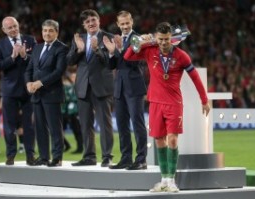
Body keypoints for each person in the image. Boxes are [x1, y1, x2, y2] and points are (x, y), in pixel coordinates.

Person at [123, 22, 210, 192]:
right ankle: (163, 180)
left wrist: (204, 99)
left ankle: (172, 180)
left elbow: (195, 78)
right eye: (161, 39)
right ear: (156, 37)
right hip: (155, 102)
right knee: (159, 140)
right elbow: (127, 56)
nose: (164, 42)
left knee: (172, 139)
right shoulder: (149, 51)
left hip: (173, 103)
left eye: (167, 39)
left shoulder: (181, 56)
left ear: (172, 38)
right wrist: (139, 40)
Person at [66, 9, 114, 167]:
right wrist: (78, 49)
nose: (91, 23)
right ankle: (89, 156)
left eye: (93, 20)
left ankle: (107, 156)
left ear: (99, 21)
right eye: (87, 22)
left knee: (104, 123)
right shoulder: (79, 38)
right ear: (83, 25)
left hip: (101, 86)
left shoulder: (108, 37)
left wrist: (96, 50)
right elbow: (70, 61)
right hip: (83, 86)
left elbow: (111, 62)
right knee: (85, 124)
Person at [103, 11, 148, 170]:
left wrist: (121, 50)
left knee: (137, 123)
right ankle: (126, 158)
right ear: (118, 24)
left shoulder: (137, 39)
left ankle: (141, 159)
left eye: (127, 23)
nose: (125, 26)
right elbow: (112, 66)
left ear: (132, 21)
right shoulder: (117, 39)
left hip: (134, 87)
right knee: (122, 124)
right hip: (119, 87)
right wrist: (110, 52)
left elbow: (135, 63)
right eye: (122, 24)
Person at [25, 19, 68, 167]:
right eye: (45, 30)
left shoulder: (61, 48)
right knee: (40, 128)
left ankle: (57, 158)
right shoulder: (37, 48)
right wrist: (28, 83)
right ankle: (43, 157)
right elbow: (29, 69)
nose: (47, 33)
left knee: (55, 128)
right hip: (36, 95)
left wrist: (40, 83)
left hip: (52, 94)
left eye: (50, 31)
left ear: (57, 32)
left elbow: (58, 71)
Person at [0, 16, 36, 165]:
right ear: (4, 30)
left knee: (29, 125)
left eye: (15, 26)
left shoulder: (30, 40)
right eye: (9, 27)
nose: (13, 29)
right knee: (9, 125)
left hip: (27, 89)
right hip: (9, 91)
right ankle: (11, 155)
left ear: (18, 25)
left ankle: (30, 156)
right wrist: (12, 57)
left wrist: (25, 56)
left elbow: (38, 61)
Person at [62, 72, 83, 154]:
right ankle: (66, 145)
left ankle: (80, 148)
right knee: (62, 130)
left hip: (75, 111)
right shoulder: (68, 87)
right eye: (72, 77)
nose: (74, 78)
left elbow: (74, 98)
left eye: (75, 77)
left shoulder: (78, 87)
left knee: (77, 130)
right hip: (66, 111)